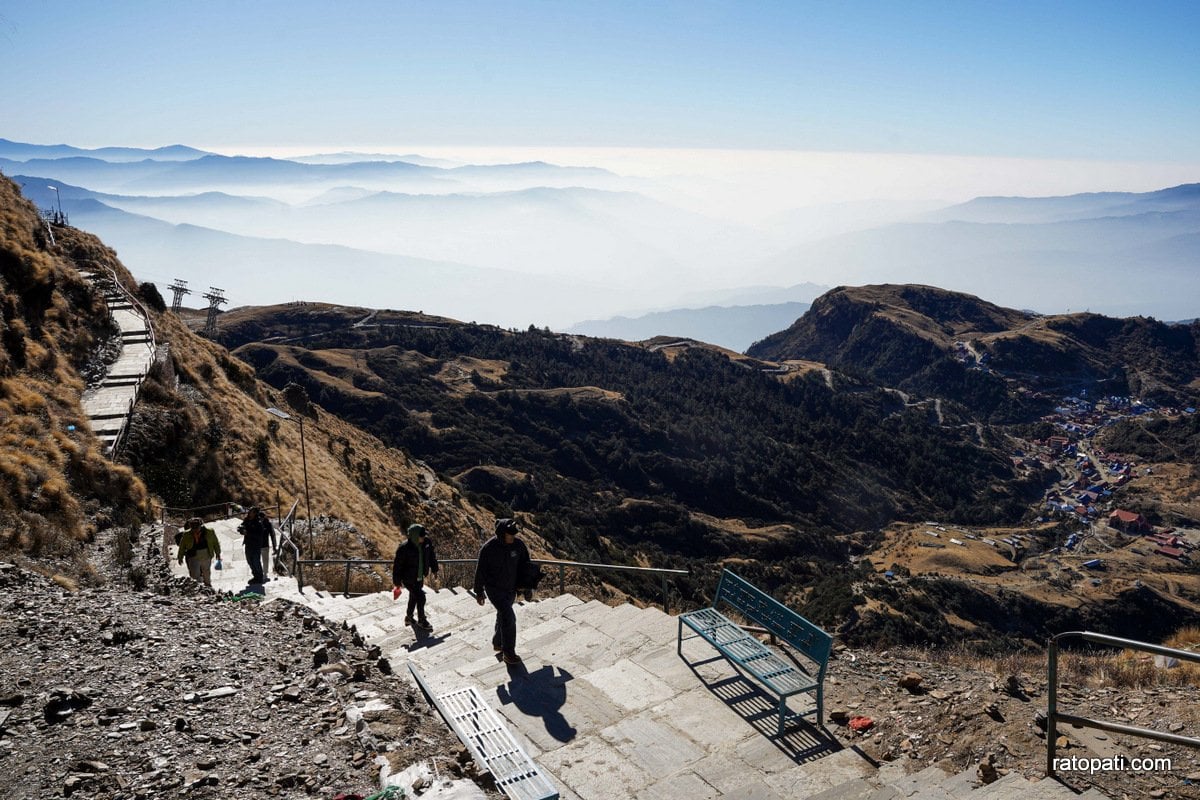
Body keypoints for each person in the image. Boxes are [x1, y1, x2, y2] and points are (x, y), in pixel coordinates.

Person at [473, 517, 531, 665]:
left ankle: (498, 642)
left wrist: (528, 587)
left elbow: (525, 566)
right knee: (509, 617)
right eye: (509, 534)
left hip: (511, 588)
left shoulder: (518, 546)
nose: (513, 537)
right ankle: (508, 653)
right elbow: (481, 571)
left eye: (514, 534)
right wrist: (479, 592)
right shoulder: (488, 549)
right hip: (494, 590)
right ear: (501, 534)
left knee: (503, 615)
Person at [392, 523, 439, 632]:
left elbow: (431, 556)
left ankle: (409, 617)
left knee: (414, 596)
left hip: (419, 576)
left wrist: (435, 569)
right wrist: (397, 583)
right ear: (414, 536)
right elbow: (397, 566)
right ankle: (422, 620)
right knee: (421, 596)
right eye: (421, 536)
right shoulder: (404, 548)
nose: (423, 537)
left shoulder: (426, 543)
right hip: (408, 578)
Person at [176, 517, 221, 587]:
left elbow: (215, 543)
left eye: (196, 527)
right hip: (193, 556)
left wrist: (218, 553)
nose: (195, 530)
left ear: (201, 526)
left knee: (206, 572)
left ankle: (208, 585)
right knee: (194, 574)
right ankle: (198, 587)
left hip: (206, 555)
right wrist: (180, 557)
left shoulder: (209, 532)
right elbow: (182, 546)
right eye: (193, 528)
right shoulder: (186, 534)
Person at [237, 506, 277, 585]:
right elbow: (241, 526)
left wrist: (274, 546)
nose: (249, 513)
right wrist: (241, 529)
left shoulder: (259, 524)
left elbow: (264, 535)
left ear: (255, 513)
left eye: (251, 511)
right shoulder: (247, 520)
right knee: (250, 561)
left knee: (256, 562)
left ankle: (260, 577)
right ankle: (255, 576)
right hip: (248, 544)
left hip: (257, 545)